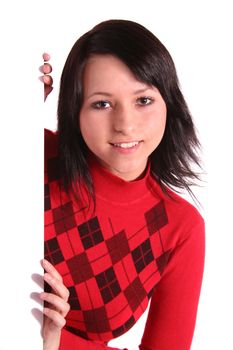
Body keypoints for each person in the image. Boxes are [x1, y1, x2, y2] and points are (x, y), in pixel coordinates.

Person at [40, 19, 205, 350]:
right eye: (101, 103)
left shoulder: (179, 228)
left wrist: (53, 342)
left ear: (169, 104)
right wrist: (11, 109)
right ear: (75, 111)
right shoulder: (32, 155)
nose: (125, 125)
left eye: (143, 100)